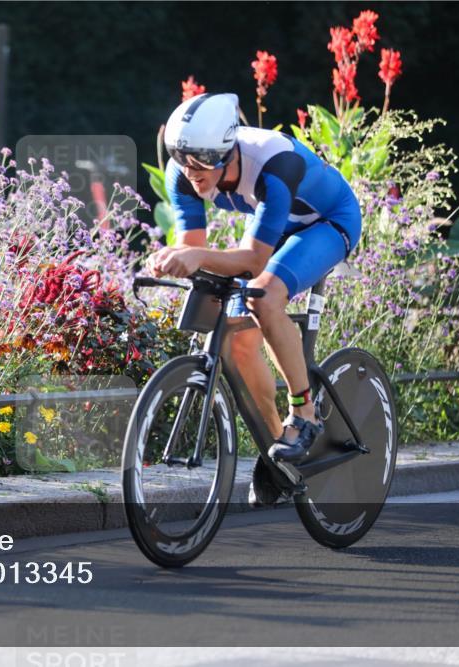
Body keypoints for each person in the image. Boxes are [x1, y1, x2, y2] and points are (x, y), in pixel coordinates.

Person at [145, 92, 362, 506]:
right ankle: (278, 448)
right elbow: (196, 250)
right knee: (235, 342)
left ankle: (304, 413)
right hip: (280, 226)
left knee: (264, 295)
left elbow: (254, 260)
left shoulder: (274, 164)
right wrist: (179, 259)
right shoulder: (184, 171)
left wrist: (195, 256)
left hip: (328, 221)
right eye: (182, 158)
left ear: (228, 151)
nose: (192, 172)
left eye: (203, 161)